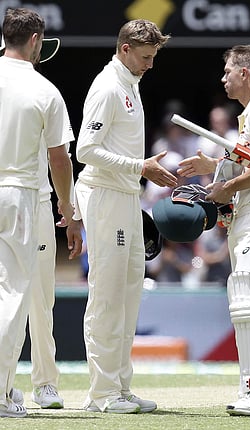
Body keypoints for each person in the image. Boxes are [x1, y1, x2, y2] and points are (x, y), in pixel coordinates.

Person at [178, 44, 250, 416]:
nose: (223, 77)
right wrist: (213, 164)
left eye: (228, 70)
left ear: (245, 73)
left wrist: (225, 189)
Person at [74, 19, 177, 414]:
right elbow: (86, 149)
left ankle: (120, 386)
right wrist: (140, 167)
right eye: (146, 57)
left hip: (125, 196)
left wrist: (139, 172)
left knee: (130, 292)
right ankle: (102, 394)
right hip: (105, 196)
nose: (150, 65)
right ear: (125, 49)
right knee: (108, 296)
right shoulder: (107, 87)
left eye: (154, 58)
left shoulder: (129, 83)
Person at [0, 7, 79, 418]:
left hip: (16, 191)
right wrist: (68, 207)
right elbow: (60, 159)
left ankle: (15, 386)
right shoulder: (44, 89)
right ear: (34, 41)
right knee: (14, 296)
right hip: (20, 195)